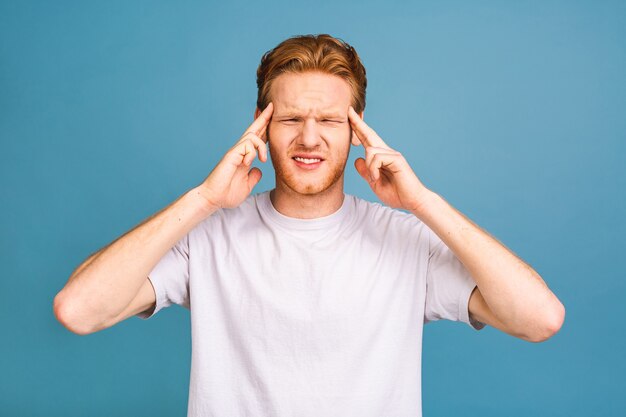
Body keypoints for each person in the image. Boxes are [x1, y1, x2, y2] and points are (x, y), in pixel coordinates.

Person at [54, 34, 565, 417]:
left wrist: (424, 203)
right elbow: (79, 310)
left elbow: (539, 319)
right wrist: (203, 199)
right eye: (291, 118)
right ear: (260, 123)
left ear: (358, 129)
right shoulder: (207, 236)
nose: (309, 138)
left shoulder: (407, 241)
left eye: (330, 121)